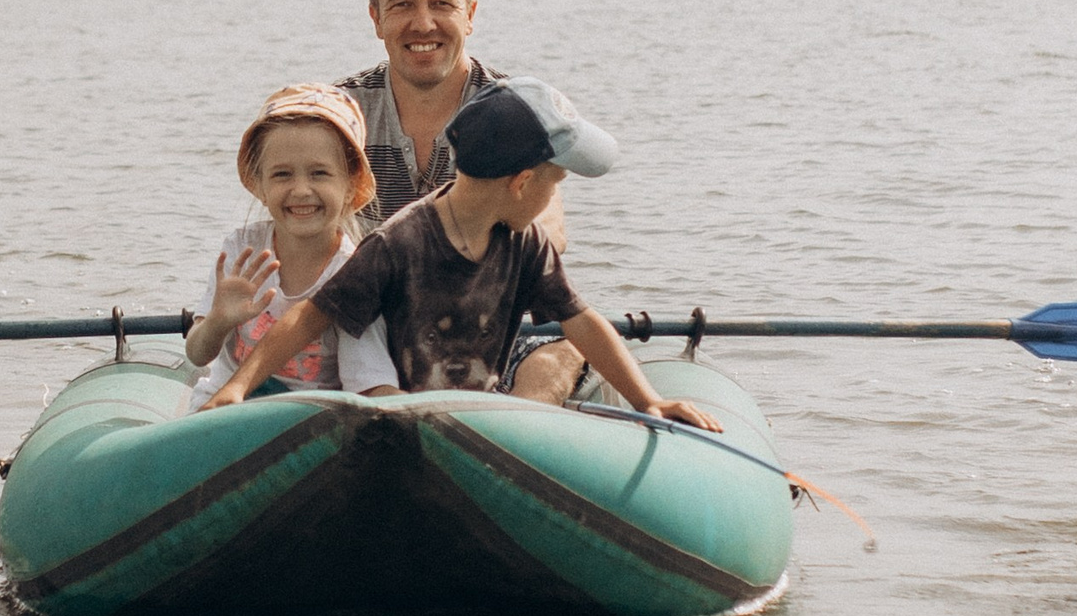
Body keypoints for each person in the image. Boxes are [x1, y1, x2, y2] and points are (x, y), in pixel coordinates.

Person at [199, 77, 720, 431]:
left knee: (556, 361)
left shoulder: (525, 241)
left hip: (473, 408)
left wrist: (647, 401)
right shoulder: (397, 243)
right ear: (521, 183)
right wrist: (241, 384)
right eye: (555, 182)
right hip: (406, 410)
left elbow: (580, 321)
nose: (554, 196)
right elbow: (311, 318)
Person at [337, 0, 582, 400]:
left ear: (469, 16)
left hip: (486, 325)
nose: (423, 23)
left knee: (562, 352)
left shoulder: (515, 108)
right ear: (376, 19)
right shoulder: (341, 113)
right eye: (402, 4)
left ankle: (510, 444)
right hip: (370, 325)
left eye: (442, 3)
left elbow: (551, 229)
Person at [184, 84, 399, 407]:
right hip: (225, 408)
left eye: (319, 174)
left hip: (306, 422)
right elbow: (198, 354)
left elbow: (367, 383)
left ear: (350, 182)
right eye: (282, 175)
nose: (301, 190)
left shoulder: (354, 273)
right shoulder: (243, 249)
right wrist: (218, 320)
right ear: (260, 183)